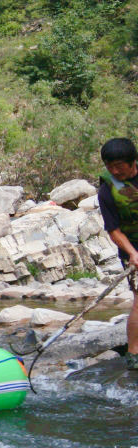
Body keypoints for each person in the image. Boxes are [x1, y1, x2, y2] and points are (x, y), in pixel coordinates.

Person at [97, 137, 138, 369]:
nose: (114, 171)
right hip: (132, 248)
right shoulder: (107, 191)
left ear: (133, 162)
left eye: (119, 166)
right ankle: (134, 354)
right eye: (109, 166)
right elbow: (113, 231)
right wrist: (133, 253)